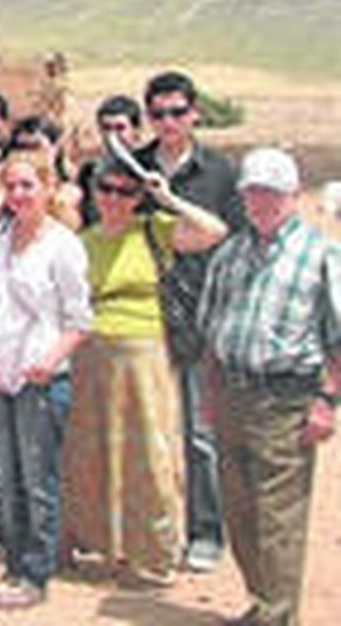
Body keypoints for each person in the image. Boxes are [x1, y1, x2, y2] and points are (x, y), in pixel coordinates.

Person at [62, 158, 227, 585]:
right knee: (92, 452)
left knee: (149, 455)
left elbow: (213, 231)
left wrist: (166, 197)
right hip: (92, 351)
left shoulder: (155, 230)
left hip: (144, 352)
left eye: (125, 192)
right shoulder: (83, 241)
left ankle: (153, 551)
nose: (114, 199)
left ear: (138, 197)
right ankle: (102, 544)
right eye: (107, 189)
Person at [199, 148, 340, 626]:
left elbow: (337, 337)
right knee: (240, 514)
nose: (260, 201)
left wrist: (326, 402)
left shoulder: (320, 255)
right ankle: (263, 603)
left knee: (279, 518)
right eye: (252, 192)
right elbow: (212, 332)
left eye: (271, 193)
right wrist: (211, 396)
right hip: (234, 394)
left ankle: (279, 617)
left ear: (294, 196)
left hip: (286, 399)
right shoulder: (231, 253)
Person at [135, 68, 243, 574]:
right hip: (139, 318)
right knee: (148, 429)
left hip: (200, 317)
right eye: (158, 113)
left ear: (195, 113)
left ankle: (206, 530)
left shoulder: (219, 172)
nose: (168, 121)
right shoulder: (131, 169)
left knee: (199, 435)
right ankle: (152, 528)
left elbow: (238, 243)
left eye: (177, 111)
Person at [0, 149, 91, 610]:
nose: (19, 194)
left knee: (37, 481)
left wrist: (51, 360)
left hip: (40, 380)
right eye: (12, 186)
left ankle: (36, 574)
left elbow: (80, 320)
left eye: (28, 185)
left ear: (47, 188)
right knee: (5, 477)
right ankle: (15, 564)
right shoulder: (1, 237)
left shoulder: (63, 246)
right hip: (0, 374)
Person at [76, 94, 144, 227]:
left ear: (136, 131)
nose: (112, 136)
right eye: (107, 128)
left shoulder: (147, 168)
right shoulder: (89, 171)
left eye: (120, 128)